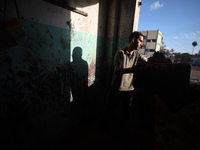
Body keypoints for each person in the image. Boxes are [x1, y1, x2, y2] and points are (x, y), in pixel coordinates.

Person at [103, 31, 147, 130]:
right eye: (140, 41)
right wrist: (133, 69)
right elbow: (117, 71)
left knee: (126, 113)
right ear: (133, 39)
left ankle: (121, 132)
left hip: (130, 90)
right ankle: (102, 129)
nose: (141, 44)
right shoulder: (121, 53)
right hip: (118, 89)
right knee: (109, 110)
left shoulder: (137, 54)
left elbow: (146, 62)